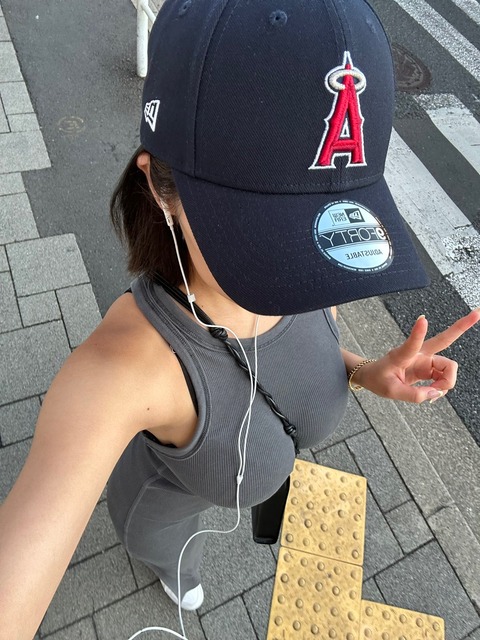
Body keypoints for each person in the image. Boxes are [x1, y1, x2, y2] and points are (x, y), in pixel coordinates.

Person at [0, 0, 479, 638]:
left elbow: (288, 351)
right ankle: (169, 567)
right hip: (164, 510)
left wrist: (363, 371)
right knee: (172, 552)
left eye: (321, 227)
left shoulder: (312, 273)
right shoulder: (124, 368)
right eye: (262, 232)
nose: (298, 274)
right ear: (160, 188)